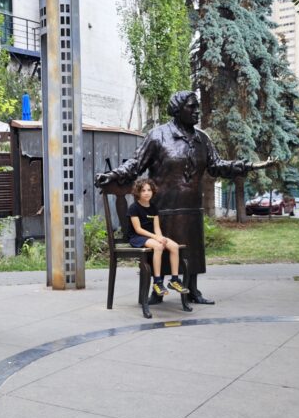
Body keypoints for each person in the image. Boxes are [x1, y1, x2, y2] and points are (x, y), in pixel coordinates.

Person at [97, 91, 273, 304]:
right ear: (178, 110)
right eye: (192, 107)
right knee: (161, 248)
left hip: (191, 207)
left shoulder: (202, 139)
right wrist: (113, 175)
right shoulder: (158, 136)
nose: (197, 111)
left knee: (192, 250)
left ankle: (192, 290)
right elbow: (135, 164)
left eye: (197, 106)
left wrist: (249, 166)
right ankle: (157, 290)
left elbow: (216, 165)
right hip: (163, 208)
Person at [128, 177, 190, 297]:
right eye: (143, 190)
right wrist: (157, 239)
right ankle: (157, 282)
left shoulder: (153, 208)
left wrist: (161, 238)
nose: (146, 193)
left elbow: (156, 228)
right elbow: (138, 229)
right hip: (138, 237)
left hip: (152, 236)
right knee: (158, 247)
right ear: (138, 193)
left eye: (149, 190)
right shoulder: (134, 208)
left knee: (174, 246)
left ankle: (174, 280)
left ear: (153, 191)